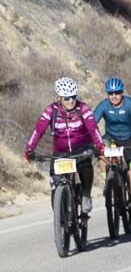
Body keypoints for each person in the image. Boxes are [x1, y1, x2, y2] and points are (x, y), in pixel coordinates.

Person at [24, 77, 106, 214]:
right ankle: (60, 217)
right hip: (60, 153)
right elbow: (39, 130)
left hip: (81, 149)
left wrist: (100, 146)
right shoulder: (51, 110)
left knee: (85, 166)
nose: (71, 101)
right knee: (55, 185)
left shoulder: (83, 108)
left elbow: (93, 129)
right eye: (67, 98)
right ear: (60, 98)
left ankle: (86, 195)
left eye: (74, 97)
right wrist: (29, 149)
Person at [92, 77, 131, 223]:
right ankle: (109, 179)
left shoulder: (130, 104)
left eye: (117, 93)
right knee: (101, 151)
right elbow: (92, 123)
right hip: (112, 139)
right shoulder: (104, 105)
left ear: (122, 92)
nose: (114, 96)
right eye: (110, 93)